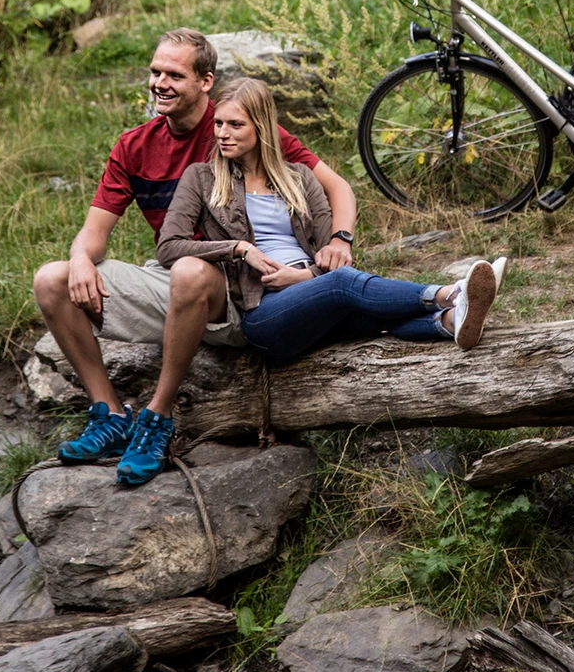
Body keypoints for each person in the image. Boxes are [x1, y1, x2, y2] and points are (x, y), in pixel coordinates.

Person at [32, 28, 356, 488]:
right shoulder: (134, 146)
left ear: (205, 81)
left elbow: (337, 185)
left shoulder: (236, 125)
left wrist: (340, 240)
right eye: (155, 72)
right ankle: (110, 415)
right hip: (178, 273)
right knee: (51, 280)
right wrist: (80, 257)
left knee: (186, 270)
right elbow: (95, 233)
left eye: (174, 75)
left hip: (242, 287)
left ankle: (157, 419)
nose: (159, 83)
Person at [157, 76, 502, 419]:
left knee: (368, 310)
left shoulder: (299, 178)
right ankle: (449, 293)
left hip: (310, 288)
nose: (222, 133)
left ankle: (450, 321)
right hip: (264, 313)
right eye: (219, 123)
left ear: (261, 126)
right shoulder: (201, 178)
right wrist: (238, 248)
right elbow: (168, 247)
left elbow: (330, 252)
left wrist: (303, 276)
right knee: (343, 283)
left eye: (235, 124)